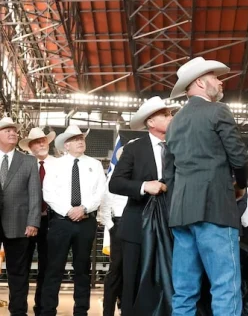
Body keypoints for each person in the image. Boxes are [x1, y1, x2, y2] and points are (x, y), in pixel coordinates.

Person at [164, 57, 248, 316]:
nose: (220, 80)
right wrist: (241, 185)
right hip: (214, 208)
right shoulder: (218, 110)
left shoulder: (174, 122)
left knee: (184, 290)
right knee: (225, 285)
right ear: (200, 82)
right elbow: (238, 157)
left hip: (181, 213)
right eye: (214, 76)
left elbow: (169, 173)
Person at [109, 96, 174, 315]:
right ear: (151, 123)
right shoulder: (134, 149)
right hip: (137, 225)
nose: (171, 117)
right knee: (132, 280)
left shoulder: (179, 147)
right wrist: (145, 185)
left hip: (172, 225)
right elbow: (115, 183)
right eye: (165, 115)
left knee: (169, 280)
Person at [41, 126, 106, 316]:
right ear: (66, 145)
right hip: (60, 222)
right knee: (54, 268)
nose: (80, 141)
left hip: (86, 222)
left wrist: (83, 208)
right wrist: (69, 211)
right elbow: (49, 193)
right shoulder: (54, 165)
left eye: (82, 138)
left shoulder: (94, 164)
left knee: (83, 269)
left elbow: (100, 192)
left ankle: (81, 311)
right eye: (76, 139)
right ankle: (47, 311)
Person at [0, 118, 42, 316]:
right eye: (7, 130)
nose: (13, 133)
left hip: (19, 224)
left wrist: (33, 221)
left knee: (18, 273)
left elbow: (35, 193)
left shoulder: (28, 161)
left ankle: (18, 311)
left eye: (15, 131)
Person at [19, 126, 55, 316]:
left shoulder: (58, 164)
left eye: (43, 140)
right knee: (21, 267)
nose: (42, 144)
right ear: (30, 147)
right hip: (25, 222)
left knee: (47, 267)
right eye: (37, 142)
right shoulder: (22, 164)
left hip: (50, 221)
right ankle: (20, 309)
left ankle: (42, 308)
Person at [99, 154, 127, 316]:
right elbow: (105, 205)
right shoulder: (113, 176)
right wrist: (112, 228)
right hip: (119, 224)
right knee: (116, 270)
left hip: (138, 225)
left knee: (130, 270)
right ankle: (108, 311)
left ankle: (126, 307)